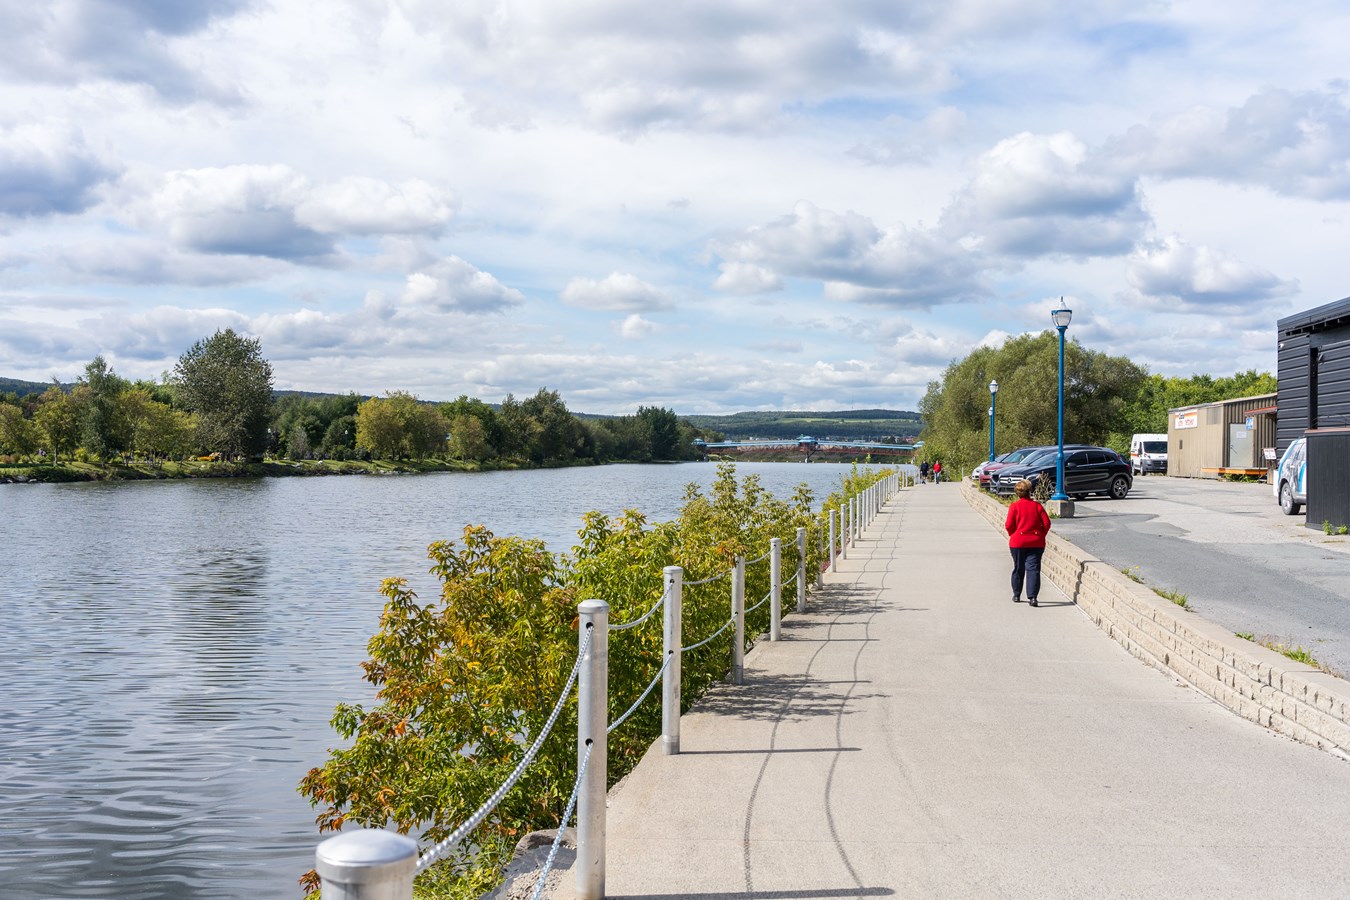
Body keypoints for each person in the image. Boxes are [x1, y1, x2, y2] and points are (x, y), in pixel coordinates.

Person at [1004, 478, 1051, 606]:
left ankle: (1017, 594)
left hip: (1018, 542)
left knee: (1018, 568)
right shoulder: (1037, 506)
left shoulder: (1014, 507)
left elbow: (1009, 525)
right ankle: (1033, 597)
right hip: (1036, 542)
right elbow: (1046, 523)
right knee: (1033, 569)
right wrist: (1041, 534)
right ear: (1030, 492)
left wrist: (1014, 534)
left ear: (1017, 493)